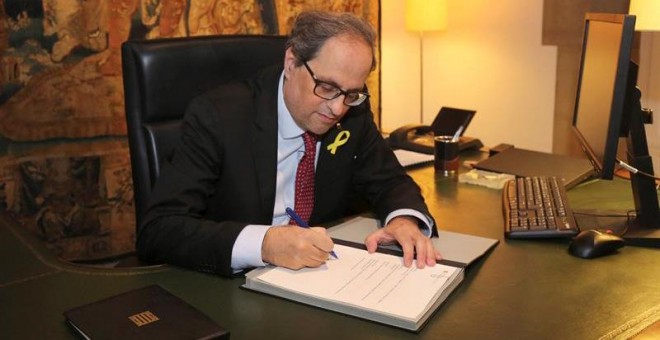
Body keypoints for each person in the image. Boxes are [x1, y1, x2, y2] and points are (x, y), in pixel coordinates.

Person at [137, 10, 441, 277]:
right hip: (229, 286)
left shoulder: (353, 112)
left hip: (318, 278)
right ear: (292, 60)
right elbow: (159, 230)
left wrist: (403, 219)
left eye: (351, 93)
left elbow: (388, 178)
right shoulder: (217, 117)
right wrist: (265, 244)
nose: (337, 109)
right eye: (327, 87)